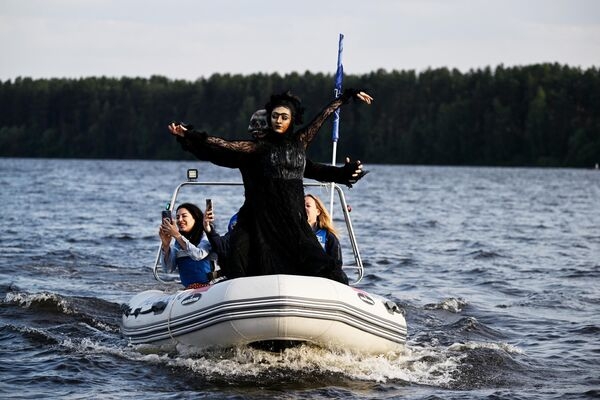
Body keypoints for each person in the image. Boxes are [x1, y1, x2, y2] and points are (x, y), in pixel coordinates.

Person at [168, 89, 372, 284]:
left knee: (317, 262)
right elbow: (218, 148)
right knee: (240, 256)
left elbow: (318, 167)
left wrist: (346, 172)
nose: (259, 129)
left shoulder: (297, 147)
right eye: (274, 117)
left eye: (283, 117)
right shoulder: (250, 151)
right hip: (257, 216)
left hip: (291, 218)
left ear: (291, 119)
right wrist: (188, 136)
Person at [159, 202, 214, 289]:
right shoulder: (178, 243)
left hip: (211, 285)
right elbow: (168, 269)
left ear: (195, 218)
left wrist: (177, 236)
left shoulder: (206, 236)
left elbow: (199, 255)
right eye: (177, 217)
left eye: (184, 216)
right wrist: (166, 246)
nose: (180, 220)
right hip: (190, 289)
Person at [304, 194, 342, 267]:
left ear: (318, 212)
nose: (304, 208)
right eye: (301, 206)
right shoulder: (292, 233)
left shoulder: (328, 236)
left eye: (308, 206)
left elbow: (337, 264)